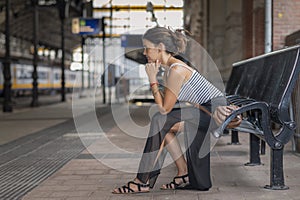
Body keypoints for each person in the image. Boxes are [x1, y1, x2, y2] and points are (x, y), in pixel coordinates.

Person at [112, 26, 241, 194]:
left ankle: (142, 181)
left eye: (147, 48)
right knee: (162, 124)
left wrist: (152, 80)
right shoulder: (168, 70)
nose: (144, 52)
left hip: (215, 114)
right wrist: (156, 81)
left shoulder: (176, 70)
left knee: (160, 119)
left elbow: (165, 109)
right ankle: (183, 173)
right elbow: (166, 105)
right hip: (203, 112)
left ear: (160, 48)